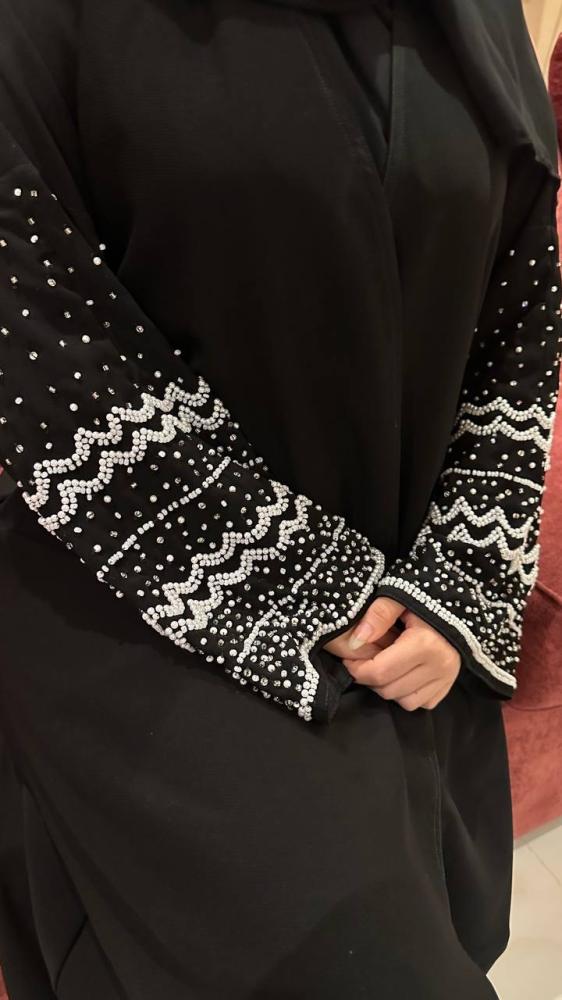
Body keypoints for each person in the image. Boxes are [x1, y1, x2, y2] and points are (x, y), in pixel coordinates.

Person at [0, 0, 560, 996]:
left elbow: (520, 300)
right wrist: (305, 591)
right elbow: (35, 334)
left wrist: (464, 573)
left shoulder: (471, 16)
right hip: (139, 612)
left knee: (446, 928)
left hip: (410, 630)